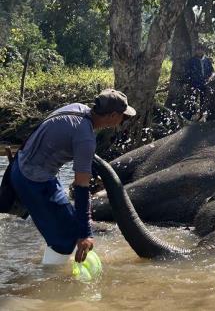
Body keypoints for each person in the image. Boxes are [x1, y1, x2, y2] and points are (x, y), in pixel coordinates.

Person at [10, 89, 136, 264]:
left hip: (20, 165)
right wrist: (85, 233)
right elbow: (81, 186)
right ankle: (52, 280)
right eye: (124, 117)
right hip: (33, 180)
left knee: (68, 227)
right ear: (113, 115)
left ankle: (54, 262)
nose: (124, 120)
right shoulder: (85, 138)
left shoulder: (76, 107)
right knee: (68, 236)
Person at [184, 44, 214, 120]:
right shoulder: (191, 61)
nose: (200, 51)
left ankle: (202, 116)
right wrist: (188, 82)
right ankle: (189, 116)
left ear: (203, 50)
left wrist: (210, 79)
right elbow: (187, 72)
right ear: (195, 51)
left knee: (203, 101)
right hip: (194, 84)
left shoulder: (207, 61)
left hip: (205, 84)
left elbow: (211, 71)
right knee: (192, 100)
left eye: (201, 49)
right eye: (198, 49)